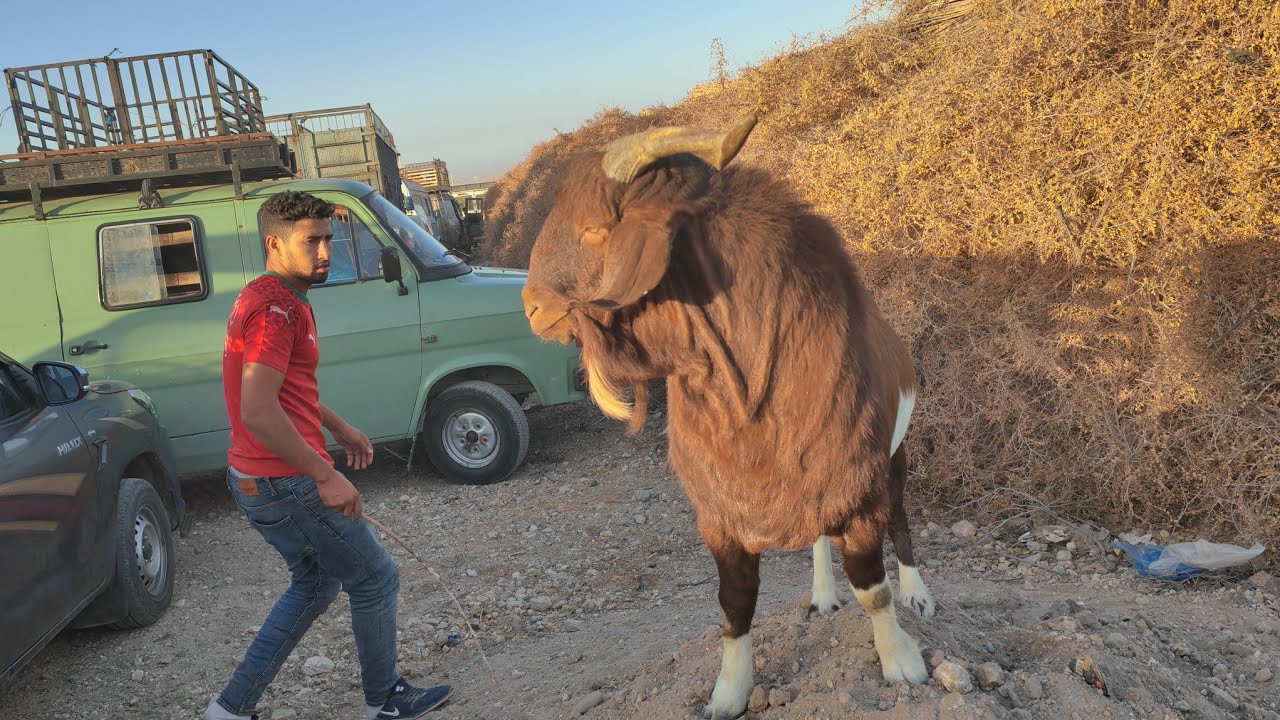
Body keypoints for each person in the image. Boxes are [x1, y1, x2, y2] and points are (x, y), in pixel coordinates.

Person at [204, 190, 453, 720]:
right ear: (274, 242)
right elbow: (258, 411)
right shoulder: (276, 309)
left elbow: (287, 391)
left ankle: (228, 711)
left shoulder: (264, 296)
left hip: (251, 477)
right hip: (285, 480)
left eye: (328, 239)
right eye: (311, 241)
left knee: (315, 584)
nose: (325, 252)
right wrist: (324, 475)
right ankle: (384, 701)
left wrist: (338, 426)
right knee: (375, 578)